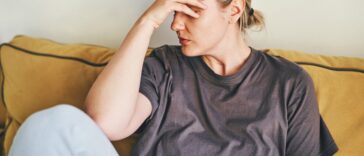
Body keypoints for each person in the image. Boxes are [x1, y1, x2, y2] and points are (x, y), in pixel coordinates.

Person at [9, 0, 339, 155]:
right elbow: (106, 122)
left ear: (234, 10)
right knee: (52, 124)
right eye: (172, 9)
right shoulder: (166, 66)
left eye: (190, 10)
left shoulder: (289, 84)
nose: (175, 24)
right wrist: (147, 22)